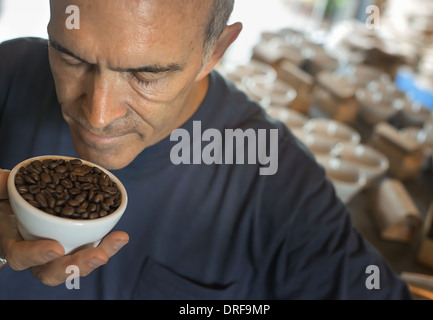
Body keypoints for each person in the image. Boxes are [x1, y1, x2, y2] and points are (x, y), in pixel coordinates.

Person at [0, 0, 412, 299]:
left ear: (214, 51)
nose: (98, 114)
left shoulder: (278, 181)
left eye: (146, 75)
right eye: (72, 58)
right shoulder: (9, 73)